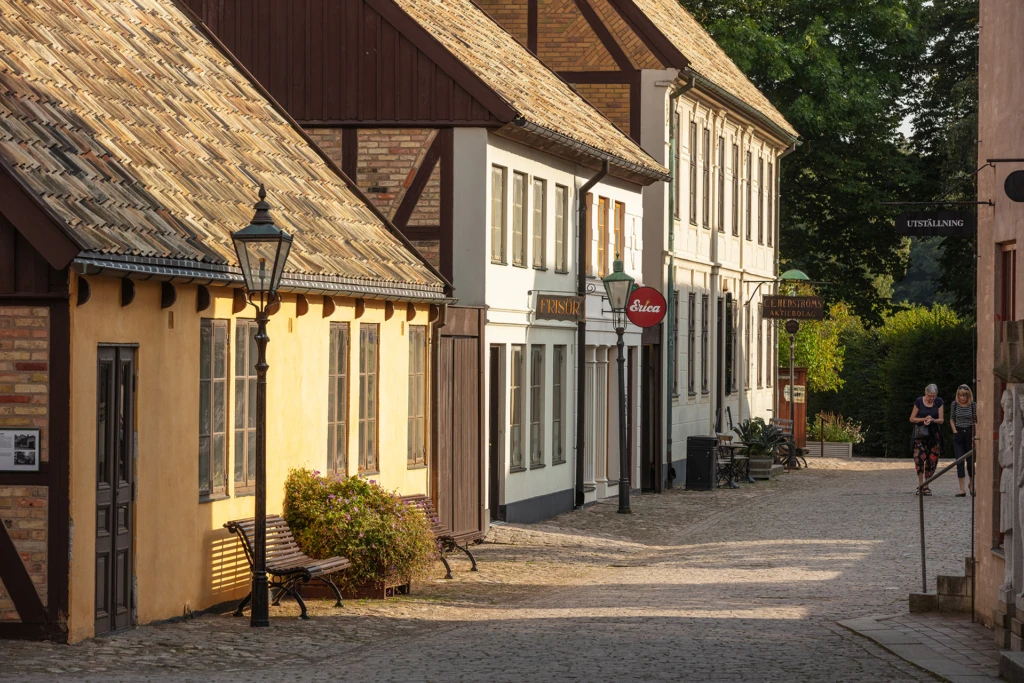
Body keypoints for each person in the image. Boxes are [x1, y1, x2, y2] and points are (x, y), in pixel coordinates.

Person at [910, 383, 944, 495]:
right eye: (930, 395)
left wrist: (932, 420)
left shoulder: (939, 402)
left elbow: (941, 420)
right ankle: (920, 485)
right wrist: (924, 419)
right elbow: (912, 418)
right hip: (921, 434)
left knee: (932, 460)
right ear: (926, 393)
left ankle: (927, 485)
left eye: (934, 395)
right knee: (919, 458)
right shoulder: (919, 401)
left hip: (934, 435)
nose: (932, 398)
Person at [950, 384, 977, 497]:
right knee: (959, 461)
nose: (962, 398)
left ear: (968, 396)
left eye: (964, 395)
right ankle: (961, 489)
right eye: (960, 395)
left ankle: (972, 485)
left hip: (970, 432)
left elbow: (976, 421)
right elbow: (952, 419)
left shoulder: (973, 405)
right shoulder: (954, 404)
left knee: (971, 462)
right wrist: (955, 431)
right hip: (959, 432)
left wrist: (975, 436)